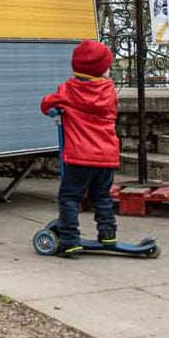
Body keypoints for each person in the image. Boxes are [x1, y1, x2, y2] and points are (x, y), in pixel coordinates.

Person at [40, 40, 119, 256]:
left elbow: (46, 104)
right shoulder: (109, 91)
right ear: (103, 69)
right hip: (106, 156)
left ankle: (70, 238)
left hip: (79, 157)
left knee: (69, 197)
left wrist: (56, 109)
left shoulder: (68, 90)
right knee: (102, 196)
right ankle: (108, 234)